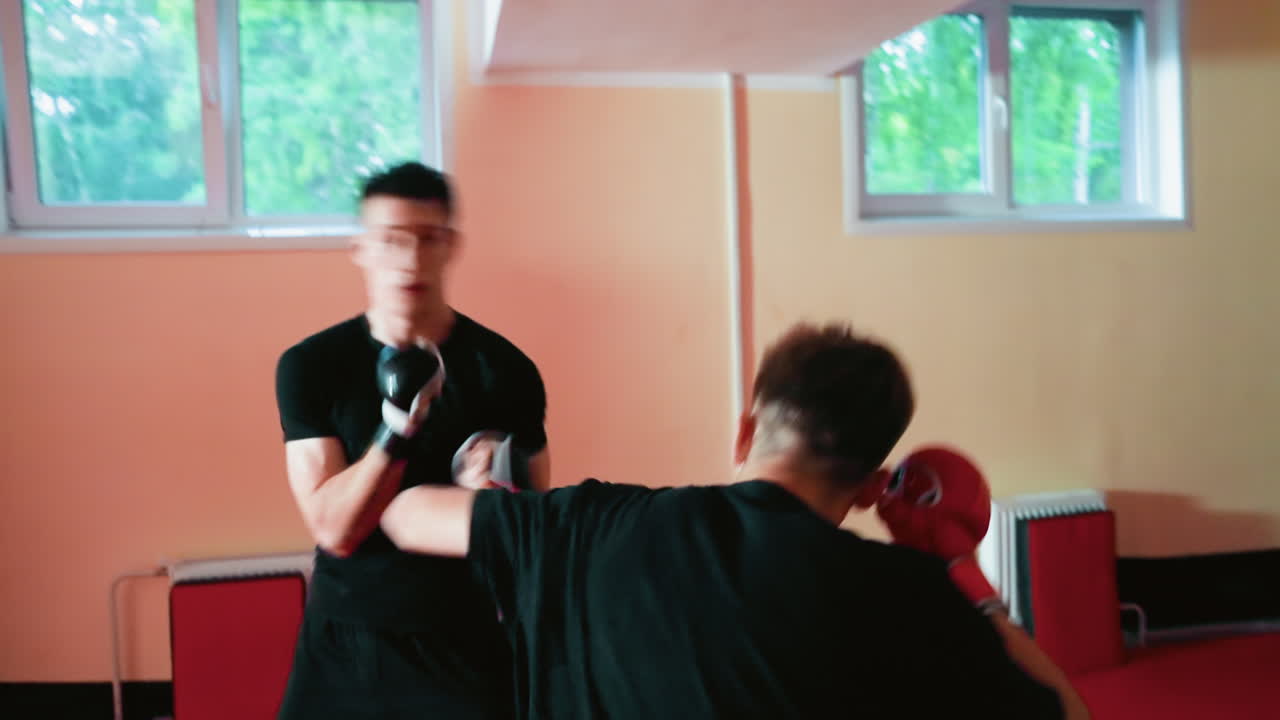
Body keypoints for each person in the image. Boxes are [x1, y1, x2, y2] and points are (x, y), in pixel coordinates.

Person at [379, 322, 1090, 719]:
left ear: (744, 432)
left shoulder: (584, 524)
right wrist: (958, 568)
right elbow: (1067, 713)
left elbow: (406, 517)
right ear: (875, 486)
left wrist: (497, 498)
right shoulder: (907, 593)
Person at [273, 161, 550, 719]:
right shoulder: (311, 367)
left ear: (451, 246)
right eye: (392, 240)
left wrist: (496, 490)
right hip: (346, 638)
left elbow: (532, 532)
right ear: (360, 249)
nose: (410, 259)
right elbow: (335, 528)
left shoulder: (507, 370)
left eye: (427, 239)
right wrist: (398, 427)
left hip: (463, 641)